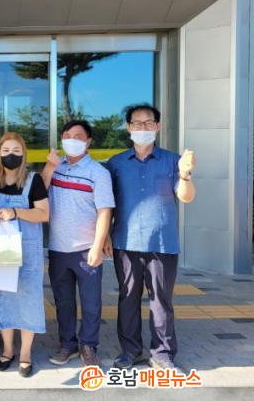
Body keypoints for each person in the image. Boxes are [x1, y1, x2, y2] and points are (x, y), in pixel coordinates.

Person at [106, 104, 196, 372]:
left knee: (161, 300)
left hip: (162, 243)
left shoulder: (173, 160)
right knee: (127, 298)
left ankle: (162, 354)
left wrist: (185, 174)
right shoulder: (116, 163)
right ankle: (130, 351)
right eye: (136, 123)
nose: (142, 128)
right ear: (128, 128)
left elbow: (186, 197)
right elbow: (107, 204)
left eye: (148, 123)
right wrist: (105, 235)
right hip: (125, 241)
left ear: (157, 126)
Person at [41, 120, 115, 367]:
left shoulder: (98, 172)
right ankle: (68, 344)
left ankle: (88, 345)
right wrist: (49, 167)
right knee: (63, 302)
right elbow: (38, 193)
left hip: (86, 250)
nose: (72, 140)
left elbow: (105, 211)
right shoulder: (56, 166)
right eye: (67, 135)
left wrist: (97, 245)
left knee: (91, 302)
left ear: (88, 141)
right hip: (57, 248)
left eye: (78, 136)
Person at [0, 132, 49, 378]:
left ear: (24, 154)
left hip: (28, 249)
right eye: (6, 150)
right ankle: (7, 350)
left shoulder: (33, 180)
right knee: (1, 297)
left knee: (28, 298)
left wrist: (16, 212)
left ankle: (26, 353)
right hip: (0, 248)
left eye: (16, 151)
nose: (11, 155)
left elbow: (43, 213)